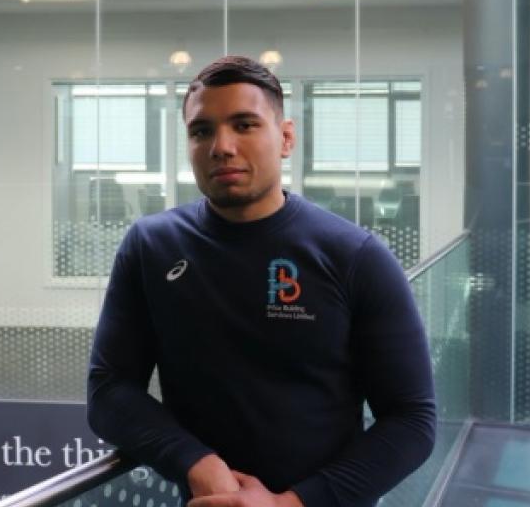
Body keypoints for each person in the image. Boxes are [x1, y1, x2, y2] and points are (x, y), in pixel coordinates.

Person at [87, 55, 436, 507]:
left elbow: (412, 421)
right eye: (202, 131)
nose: (222, 146)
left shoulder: (353, 255)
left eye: (245, 124)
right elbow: (109, 391)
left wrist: (289, 504)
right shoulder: (151, 246)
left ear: (285, 137)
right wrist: (198, 464)